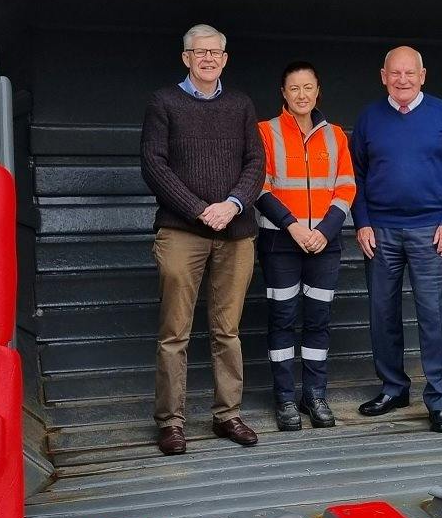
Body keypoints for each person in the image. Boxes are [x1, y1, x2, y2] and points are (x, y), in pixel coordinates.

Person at [139, 24, 265, 456]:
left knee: (227, 330)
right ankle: (171, 422)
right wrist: (198, 209)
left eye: (215, 52)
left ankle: (227, 414)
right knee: (174, 332)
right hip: (181, 231)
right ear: (186, 58)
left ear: (225, 59)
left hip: (236, 231)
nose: (208, 58)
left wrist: (231, 204)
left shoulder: (241, 105)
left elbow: (256, 163)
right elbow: (154, 165)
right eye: (199, 51)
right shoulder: (164, 103)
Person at [351, 46, 442, 433]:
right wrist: (363, 223)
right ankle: (393, 388)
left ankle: (440, 400)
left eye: (410, 73)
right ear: (383, 76)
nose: (402, 80)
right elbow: (354, 175)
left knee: (435, 318)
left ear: (423, 75)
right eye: (395, 73)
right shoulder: (370, 117)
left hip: (432, 231)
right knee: (381, 313)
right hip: (381, 231)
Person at [254, 61, 357, 431]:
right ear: (283, 93)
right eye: (294, 88)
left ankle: (314, 395)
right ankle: (284, 399)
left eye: (308, 87)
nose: (302, 95)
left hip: (323, 244)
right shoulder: (265, 131)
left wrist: (325, 231)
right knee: (282, 319)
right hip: (281, 240)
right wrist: (294, 227)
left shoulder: (336, 136)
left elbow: (346, 187)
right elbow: (259, 188)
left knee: (318, 320)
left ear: (318, 91)